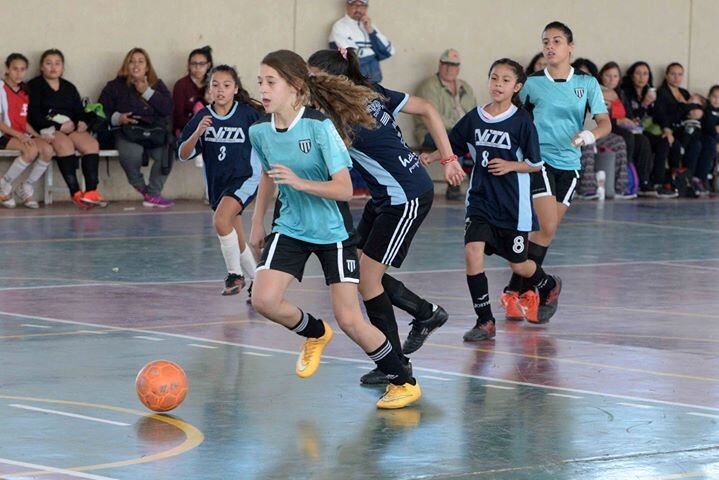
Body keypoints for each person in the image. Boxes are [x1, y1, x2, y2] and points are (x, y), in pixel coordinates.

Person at [248, 49, 420, 409]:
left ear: (295, 87)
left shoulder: (320, 127)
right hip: (291, 226)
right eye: (260, 81)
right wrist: (256, 222)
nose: (262, 89)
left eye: (270, 82)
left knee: (350, 320)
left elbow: (344, 189)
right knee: (263, 299)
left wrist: (300, 182)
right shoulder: (260, 131)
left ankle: (403, 382)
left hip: (332, 231)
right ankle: (314, 332)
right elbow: (268, 174)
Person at [307, 48, 465, 384]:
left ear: (330, 81)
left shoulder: (339, 118)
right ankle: (424, 315)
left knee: (366, 281)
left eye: (312, 78)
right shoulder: (369, 93)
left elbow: (427, 109)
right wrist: (448, 158)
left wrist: (450, 159)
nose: (307, 85)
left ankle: (395, 362)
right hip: (387, 194)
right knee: (362, 272)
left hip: (405, 197)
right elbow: (427, 107)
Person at [423, 59, 561, 338]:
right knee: (472, 252)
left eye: (505, 80)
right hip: (480, 199)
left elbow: (535, 163)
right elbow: (454, 143)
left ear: (517, 87)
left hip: (513, 204)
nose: (498, 84)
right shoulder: (475, 117)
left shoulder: (522, 122)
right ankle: (485, 320)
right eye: (494, 78)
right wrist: (432, 156)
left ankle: (546, 284)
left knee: (518, 263)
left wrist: (511, 165)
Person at [501, 22, 611, 322]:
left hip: (570, 164)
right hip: (539, 161)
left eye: (557, 41)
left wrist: (589, 136)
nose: (550, 46)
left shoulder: (587, 84)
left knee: (545, 232)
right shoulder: (532, 83)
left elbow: (605, 123)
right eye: (546, 41)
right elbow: (513, 117)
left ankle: (515, 290)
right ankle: (540, 287)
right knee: (544, 226)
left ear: (570, 47)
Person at [178, 65, 262, 298]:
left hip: (246, 178)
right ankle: (258, 282)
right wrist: (197, 133)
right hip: (218, 184)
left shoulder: (249, 115)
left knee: (220, 220)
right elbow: (183, 154)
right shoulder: (202, 117)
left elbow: (272, 136)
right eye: (215, 85)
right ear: (209, 90)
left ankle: (235, 274)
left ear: (235, 89)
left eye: (226, 85)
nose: (220, 90)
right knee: (237, 238)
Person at [27, 49, 105, 208]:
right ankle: (75, 192)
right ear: (41, 67)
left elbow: (79, 111)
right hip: (48, 129)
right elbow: (32, 115)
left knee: (91, 145)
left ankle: (91, 192)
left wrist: (82, 122)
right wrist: (58, 126)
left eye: (57, 63)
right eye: (48, 63)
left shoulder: (69, 87)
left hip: (71, 126)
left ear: (62, 68)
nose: (53, 67)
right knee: (65, 145)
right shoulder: (34, 86)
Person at [98, 47, 175, 208]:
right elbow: (101, 110)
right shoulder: (114, 86)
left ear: (147, 67)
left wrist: (147, 92)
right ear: (126, 65)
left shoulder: (157, 85)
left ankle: (153, 194)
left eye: (140, 61)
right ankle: (141, 187)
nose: (136, 65)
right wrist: (118, 118)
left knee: (166, 154)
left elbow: (168, 108)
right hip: (128, 132)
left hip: (154, 132)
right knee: (131, 153)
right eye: (131, 61)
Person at [413, 48, 477, 200]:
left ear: (458, 68)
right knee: (456, 139)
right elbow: (432, 118)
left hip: (461, 133)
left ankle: (477, 184)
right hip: (431, 133)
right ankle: (454, 184)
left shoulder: (465, 87)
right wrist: (462, 128)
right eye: (445, 64)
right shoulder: (428, 86)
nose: (449, 68)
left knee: (480, 139)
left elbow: (474, 113)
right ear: (439, 65)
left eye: (453, 65)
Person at [0, 53, 53, 209]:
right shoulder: (1, 89)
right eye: (15, 69)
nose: (19, 73)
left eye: (22, 69)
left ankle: (26, 186)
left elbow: (23, 121)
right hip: (4, 134)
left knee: (47, 149)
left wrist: (37, 136)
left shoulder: (25, 91)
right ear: (7, 69)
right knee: (30, 150)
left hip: (20, 133)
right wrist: (20, 135)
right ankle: (4, 185)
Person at [620, 61, 678, 198]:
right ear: (632, 76)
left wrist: (666, 129)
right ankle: (643, 182)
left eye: (645, 74)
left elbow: (660, 114)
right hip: (631, 130)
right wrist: (645, 103)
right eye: (638, 73)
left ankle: (657, 182)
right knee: (644, 140)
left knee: (664, 141)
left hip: (646, 130)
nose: (641, 77)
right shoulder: (626, 92)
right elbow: (631, 117)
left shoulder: (651, 91)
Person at [598, 61, 653, 195]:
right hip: (606, 126)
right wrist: (618, 121)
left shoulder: (620, 93)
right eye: (608, 75)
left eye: (615, 76)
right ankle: (624, 177)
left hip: (622, 127)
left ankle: (643, 181)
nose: (612, 79)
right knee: (627, 137)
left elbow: (629, 114)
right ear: (601, 76)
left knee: (642, 140)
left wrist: (631, 121)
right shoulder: (597, 91)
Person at [654, 62, 706, 195]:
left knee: (698, 144)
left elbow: (698, 108)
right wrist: (688, 108)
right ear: (666, 75)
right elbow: (663, 114)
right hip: (672, 128)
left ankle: (690, 178)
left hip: (685, 128)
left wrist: (693, 109)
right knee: (678, 144)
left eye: (679, 74)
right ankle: (675, 180)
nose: (676, 78)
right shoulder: (662, 92)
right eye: (672, 74)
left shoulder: (684, 92)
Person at [329, 0, 394, 83]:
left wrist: (370, 31)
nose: (358, 9)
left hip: (374, 81)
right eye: (354, 5)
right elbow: (351, 56)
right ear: (347, 6)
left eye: (362, 6)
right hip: (351, 81)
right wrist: (375, 53)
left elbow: (388, 51)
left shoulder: (370, 26)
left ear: (366, 8)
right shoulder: (339, 26)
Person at [173, 46, 213, 136]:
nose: (197, 67)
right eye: (194, 64)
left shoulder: (213, 84)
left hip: (211, 129)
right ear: (189, 65)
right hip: (186, 129)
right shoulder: (181, 85)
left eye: (202, 64)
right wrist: (199, 125)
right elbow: (178, 117)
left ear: (208, 65)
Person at [697, 85, 719, 194]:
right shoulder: (706, 110)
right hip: (706, 137)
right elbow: (707, 126)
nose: (716, 100)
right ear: (709, 97)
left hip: (716, 139)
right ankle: (701, 177)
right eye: (714, 96)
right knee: (710, 144)